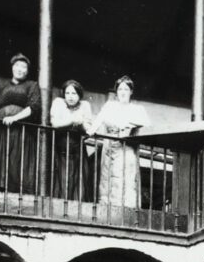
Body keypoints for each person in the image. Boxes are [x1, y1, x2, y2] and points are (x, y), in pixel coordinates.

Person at [0, 53, 41, 193]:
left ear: (27, 70)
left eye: (23, 67)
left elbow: (34, 107)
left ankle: (16, 190)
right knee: (0, 156)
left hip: (21, 130)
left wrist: (15, 118)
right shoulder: (2, 86)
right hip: (1, 129)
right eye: (17, 66)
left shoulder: (32, 85)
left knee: (17, 159)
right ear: (12, 68)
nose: (20, 69)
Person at [88, 75, 148, 213]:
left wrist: (130, 125)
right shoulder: (110, 106)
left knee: (126, 177)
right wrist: (90, 130)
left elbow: (147, 124)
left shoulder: (137, 109)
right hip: (110, 144)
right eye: (120, 89)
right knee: (107, 178)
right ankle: (108, 212)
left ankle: (127, 211)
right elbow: (98, 120)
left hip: (127, 145)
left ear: (131, 92)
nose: (122, 92)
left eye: (126, 89)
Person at [50, 79, 94, 201]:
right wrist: (72, 121)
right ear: (63, 94)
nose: (70, 97)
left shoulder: (85, 105)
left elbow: (89, 129)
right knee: (61, 180)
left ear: (79, 95)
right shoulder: (58, 103)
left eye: (74, 93)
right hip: (60, 149)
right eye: (68, 93)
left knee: (78, 181)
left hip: (78, 150)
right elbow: (54, 123)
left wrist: (81, 124)